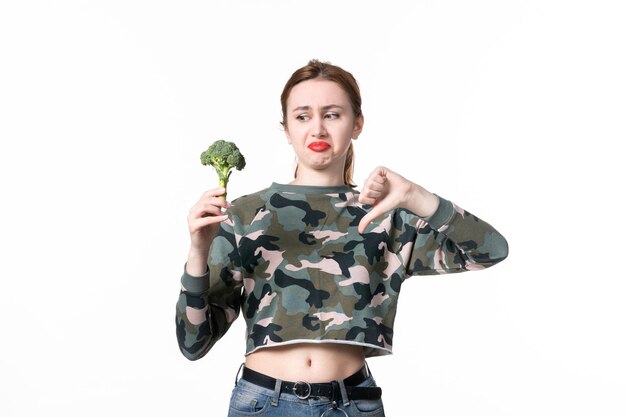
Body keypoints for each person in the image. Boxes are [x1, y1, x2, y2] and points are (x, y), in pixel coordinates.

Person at [175, 59, 509, 417]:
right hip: (261, 403)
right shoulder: (246, 214)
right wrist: (198, 251)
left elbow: (491, 250)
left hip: (352, 405)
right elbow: (193, 344)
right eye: (303, 116)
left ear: (357, 124)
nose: (317, 129)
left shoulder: (385, 216)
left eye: (332, 114)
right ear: (286, 128)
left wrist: (416, 196)